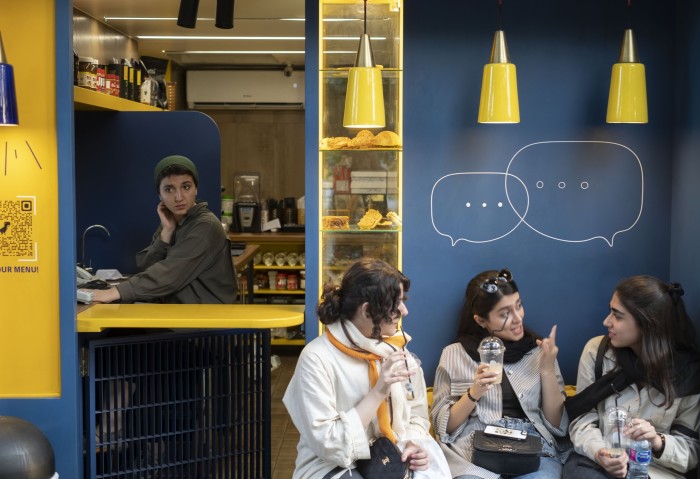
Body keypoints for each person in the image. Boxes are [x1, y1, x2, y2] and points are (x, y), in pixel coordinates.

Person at [282, 258, 451, 479]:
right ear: (367, 310)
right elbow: (328, 444)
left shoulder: (397, 349)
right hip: (331, 466)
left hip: (392, 456)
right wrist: (379, 392)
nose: (405, 311)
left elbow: (417, 416)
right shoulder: (317, 357)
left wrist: (413, 442)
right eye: (396, 304)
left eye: (403, 301)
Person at [431, 268, 570, 479]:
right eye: (505, 314)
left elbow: (557, 424)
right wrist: (474, 393)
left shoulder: (539, 350)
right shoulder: (454, 354)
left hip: (534, 450)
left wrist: (547, 368)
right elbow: (444, 428)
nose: (517, 318)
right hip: (475, 451)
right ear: (481, 320)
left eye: (519, 306)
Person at [563, 275, 700, 479]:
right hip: (596, 465)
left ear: (647, 324)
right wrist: (601, 453)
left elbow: (691, 451)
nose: (606, 321)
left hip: (653, 471)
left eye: (617, 315)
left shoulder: (687, 372)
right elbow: (582, 420)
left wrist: (657, 441)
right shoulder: (597, 352)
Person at [86, 155, 237, 304]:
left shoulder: (206, 226)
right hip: (175, 314)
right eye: (169, 189)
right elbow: (146, 267)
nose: (179, 197)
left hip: (202, 322)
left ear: (196, 189)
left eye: (186, 187)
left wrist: (113, 293)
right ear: (159, 194)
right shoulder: (173, 221)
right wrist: (166, 232)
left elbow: (170, 274)